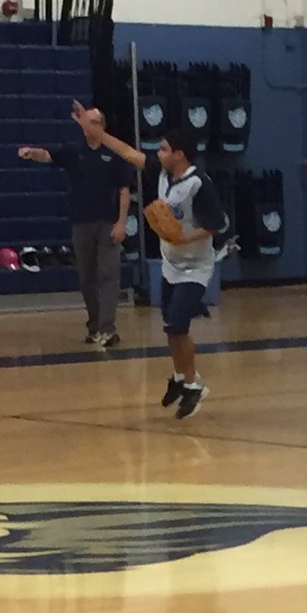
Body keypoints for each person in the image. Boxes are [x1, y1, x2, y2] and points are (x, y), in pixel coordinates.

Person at [71, 100, 226, 420]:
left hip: (196, 266)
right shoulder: (161, 173)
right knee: (171, 329)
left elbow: (216, 224)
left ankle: (195, 385)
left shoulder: (199, 184)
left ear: (180, 154)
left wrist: (186, 237)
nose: (159, 152)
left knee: (177, 323)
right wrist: (92, 128)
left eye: (165, 148)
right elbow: (128, 152)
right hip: (170, 263)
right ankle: (182, 379)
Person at [18, 108, 131, 348]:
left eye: (94, 122)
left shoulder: (115, 153)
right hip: (81, 223)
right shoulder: (74, 151)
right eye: (86, 121)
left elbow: (124, 189)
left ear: (102, 125)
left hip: (107, 223)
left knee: (108, 274)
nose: (89, 125)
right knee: (86, 278)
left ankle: (108, 329)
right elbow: (49, 156)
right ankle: (94, 325)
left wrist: (122, 222)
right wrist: (31, 153)